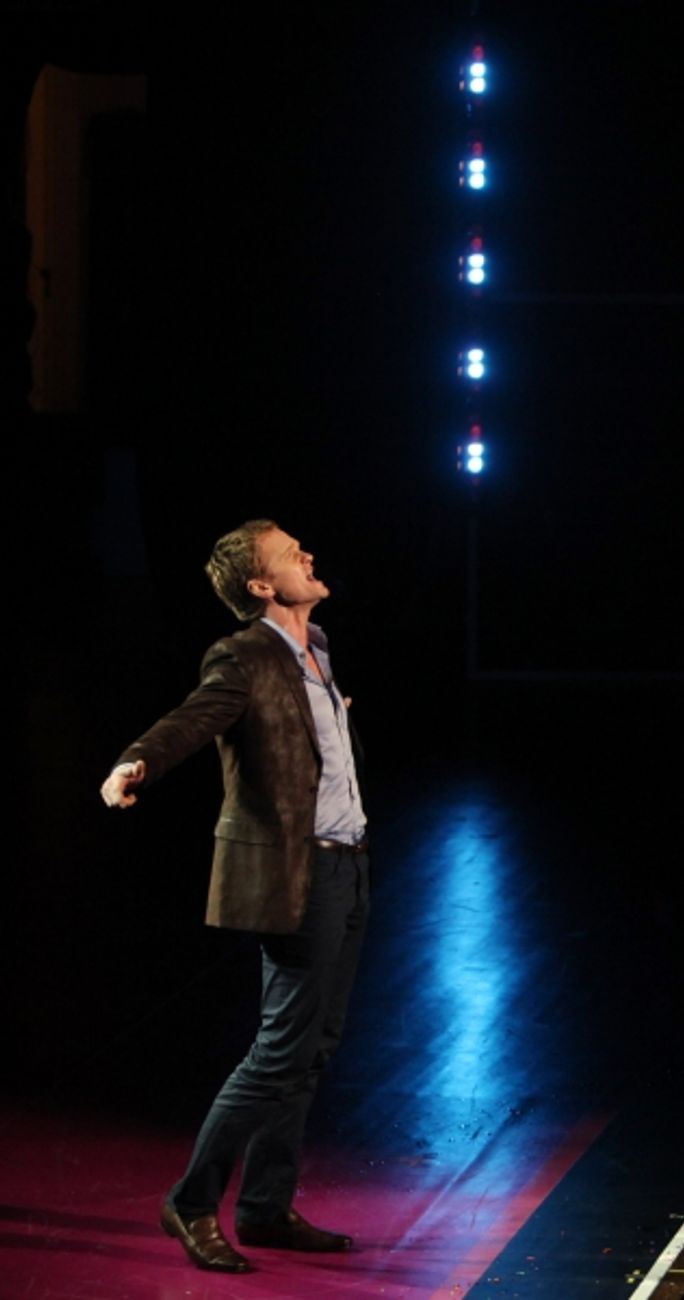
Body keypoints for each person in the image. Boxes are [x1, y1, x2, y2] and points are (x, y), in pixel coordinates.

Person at [100, 519, 369, 1273]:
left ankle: (264, 1205)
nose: (309, 556)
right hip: (299, 873)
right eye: (291, 554)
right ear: (260, 586)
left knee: (314, 1047)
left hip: (349, 865)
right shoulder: (245, 655)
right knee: (279, 1049)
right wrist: (137, 763)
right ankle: (191, 1201)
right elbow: (194, 719)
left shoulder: (316, 649)